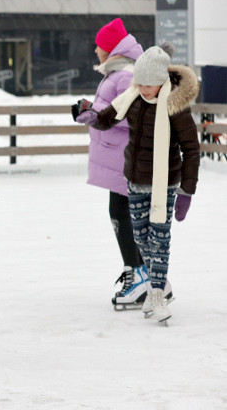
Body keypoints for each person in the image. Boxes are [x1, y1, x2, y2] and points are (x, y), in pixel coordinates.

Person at [76, 46, 199, 325]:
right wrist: (89, 115)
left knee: (160, 240)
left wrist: (187, 190)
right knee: (141, 239)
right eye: (139, 82)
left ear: (161, 81)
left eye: (148, 84)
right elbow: (107, 117)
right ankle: (161, 281)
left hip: (164, 184)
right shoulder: (132, 97)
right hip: (133, 180)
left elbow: (191, 149)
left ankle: (156, 295)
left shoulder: (175, 105)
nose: (142, 88)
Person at [71, 17, 158, 310]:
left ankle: (137, 273)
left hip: (124, 160)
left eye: (99, 46)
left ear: (111, 48)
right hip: (119, 159)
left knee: (124, 215)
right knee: (130, 216)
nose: (96, 51)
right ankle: (148, 275)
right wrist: (91, 111)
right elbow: (112, 112)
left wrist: (96, 114)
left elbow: (129, 118)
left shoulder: (123, 76)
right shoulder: (119, 73)